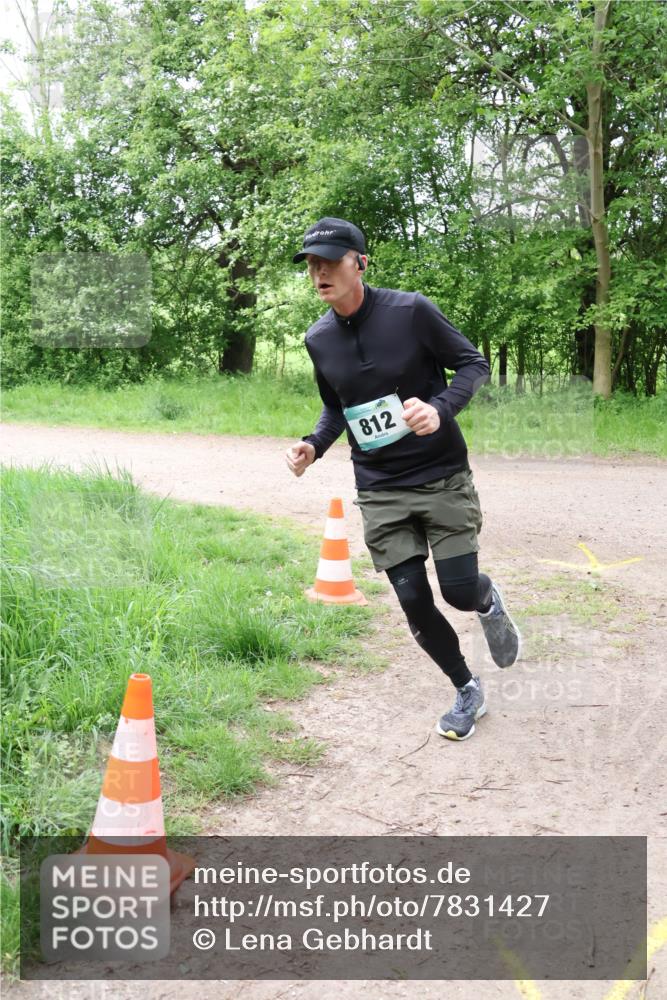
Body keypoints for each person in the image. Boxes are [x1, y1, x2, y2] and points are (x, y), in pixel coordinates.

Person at [285, 217, 521, 741]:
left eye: (331, 261)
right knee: (413, 598)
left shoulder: (411, 311)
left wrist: (440, 408)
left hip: (441, 476)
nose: (320, 272)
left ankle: (486, 600)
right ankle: (466, 688)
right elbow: (336, 408)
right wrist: (313, 445)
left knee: (458, 591)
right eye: (312, 264)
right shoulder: (318, 339)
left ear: (361, 263)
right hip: (380, 487)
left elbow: (473, 364)